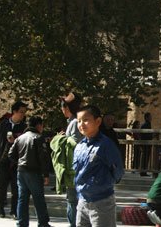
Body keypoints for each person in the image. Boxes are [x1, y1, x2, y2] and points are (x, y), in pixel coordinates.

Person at [73, 105, 124, 227]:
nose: (81, 124)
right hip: (82, 201)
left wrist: (101, 184)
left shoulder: (106, 145)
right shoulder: (79, 147)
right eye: (79, 121)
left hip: (101, 202)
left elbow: (118, 172)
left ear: (98, 121)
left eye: (86, 120)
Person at [9, 115, 50, 227]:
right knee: (38, 198)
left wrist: (20, 161)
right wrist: (45, 174)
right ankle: (42, 223)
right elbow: (43, 158)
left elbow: (11, 154)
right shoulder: (38, 137)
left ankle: (22, 223)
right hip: (34, 171)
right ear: (39, 125)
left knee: (22, 198)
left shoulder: (20, 138)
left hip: (21, 171)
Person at [0, 101, 28, 218]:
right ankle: (0, 208)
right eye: (21, 112)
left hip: (17, 162)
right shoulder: (2, 125)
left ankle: (14, 210)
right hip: (3, 159)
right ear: (14, 112)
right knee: (0, 186)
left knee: (16, 187)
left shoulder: (24, 127)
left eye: (24, 112)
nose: (23, 114)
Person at [60, 94, 83, 227]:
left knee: (72, 200)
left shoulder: (74, 122)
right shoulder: (72, 121)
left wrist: (60, 140)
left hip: (73, 168)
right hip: (74, 167)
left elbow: (74, 143)